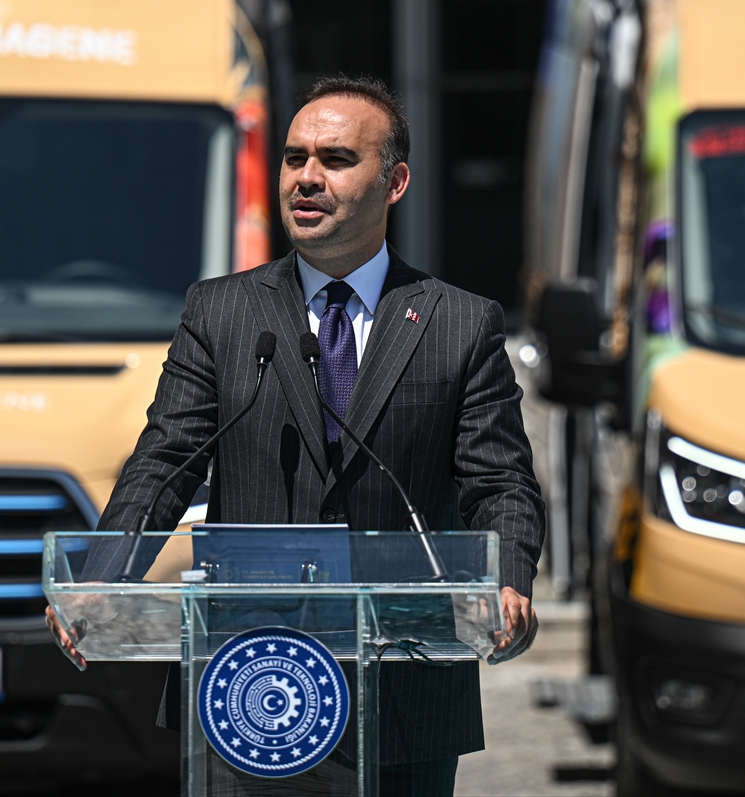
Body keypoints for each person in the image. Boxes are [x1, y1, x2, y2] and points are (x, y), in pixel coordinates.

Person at [47, 75, 544, 796]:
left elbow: (499, 480)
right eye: (294, 158)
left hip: (403, 692)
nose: (306, 177)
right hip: (248, 685)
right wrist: (103, 574)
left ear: (395, 182)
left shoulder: (458, 324)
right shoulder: (220, 312)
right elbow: (165, 460)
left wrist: (509, 579)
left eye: (336, 160)